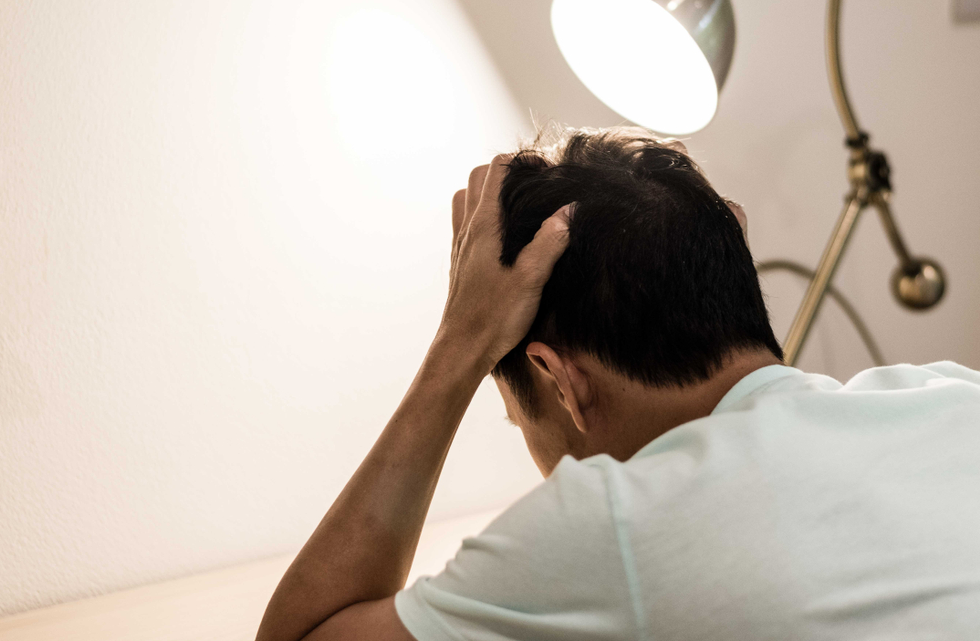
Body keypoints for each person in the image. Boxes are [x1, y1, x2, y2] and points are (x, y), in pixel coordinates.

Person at [256, 128, 980, 641]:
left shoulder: (613, 523)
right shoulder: (950, 396)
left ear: (558, 380)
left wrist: (462, 341)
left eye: (520, 421)